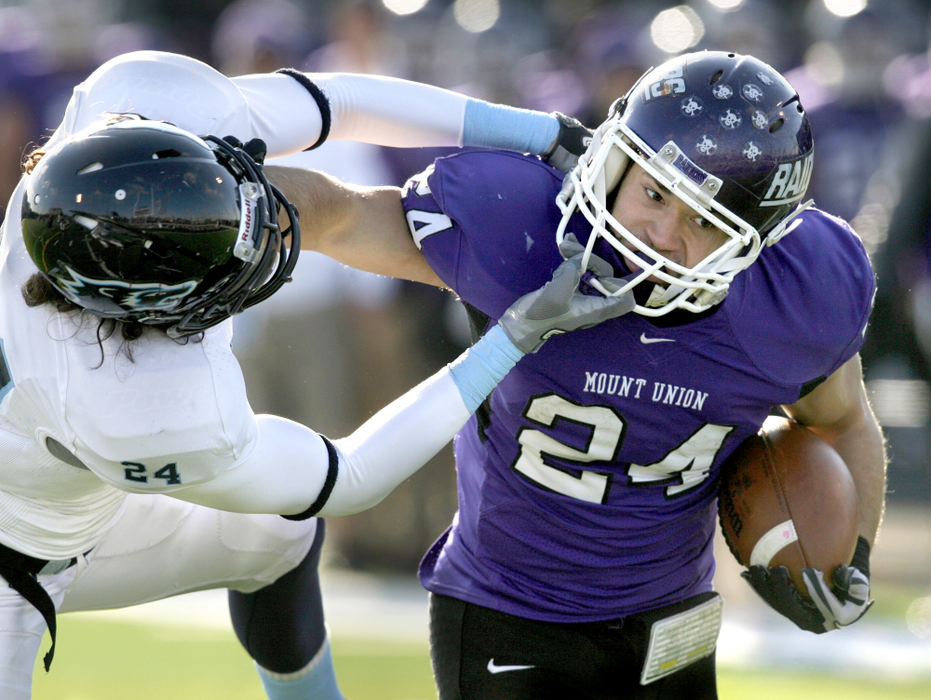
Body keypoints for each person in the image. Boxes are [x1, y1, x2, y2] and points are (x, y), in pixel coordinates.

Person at [0, 50, 629, 699]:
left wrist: (545, 134)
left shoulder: (146, 98)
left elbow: (340, 101)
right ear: (153, 312)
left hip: (51, 481)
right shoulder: (136, 409)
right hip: (17, 561)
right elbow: (349, 476)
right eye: (219, 256)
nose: (267, 226)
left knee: (279, 531)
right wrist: (512, 338)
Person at [289, 50, 887, 699]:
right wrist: (226, 200)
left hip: (670, 615)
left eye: (703, 222)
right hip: (508, 612)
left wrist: (847, 557)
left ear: (755, 240)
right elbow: (341, 214)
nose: (660, 233)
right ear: (615, 162)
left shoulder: (798, 295)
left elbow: (844, 420)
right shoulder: (522, 230)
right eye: (653, 192)